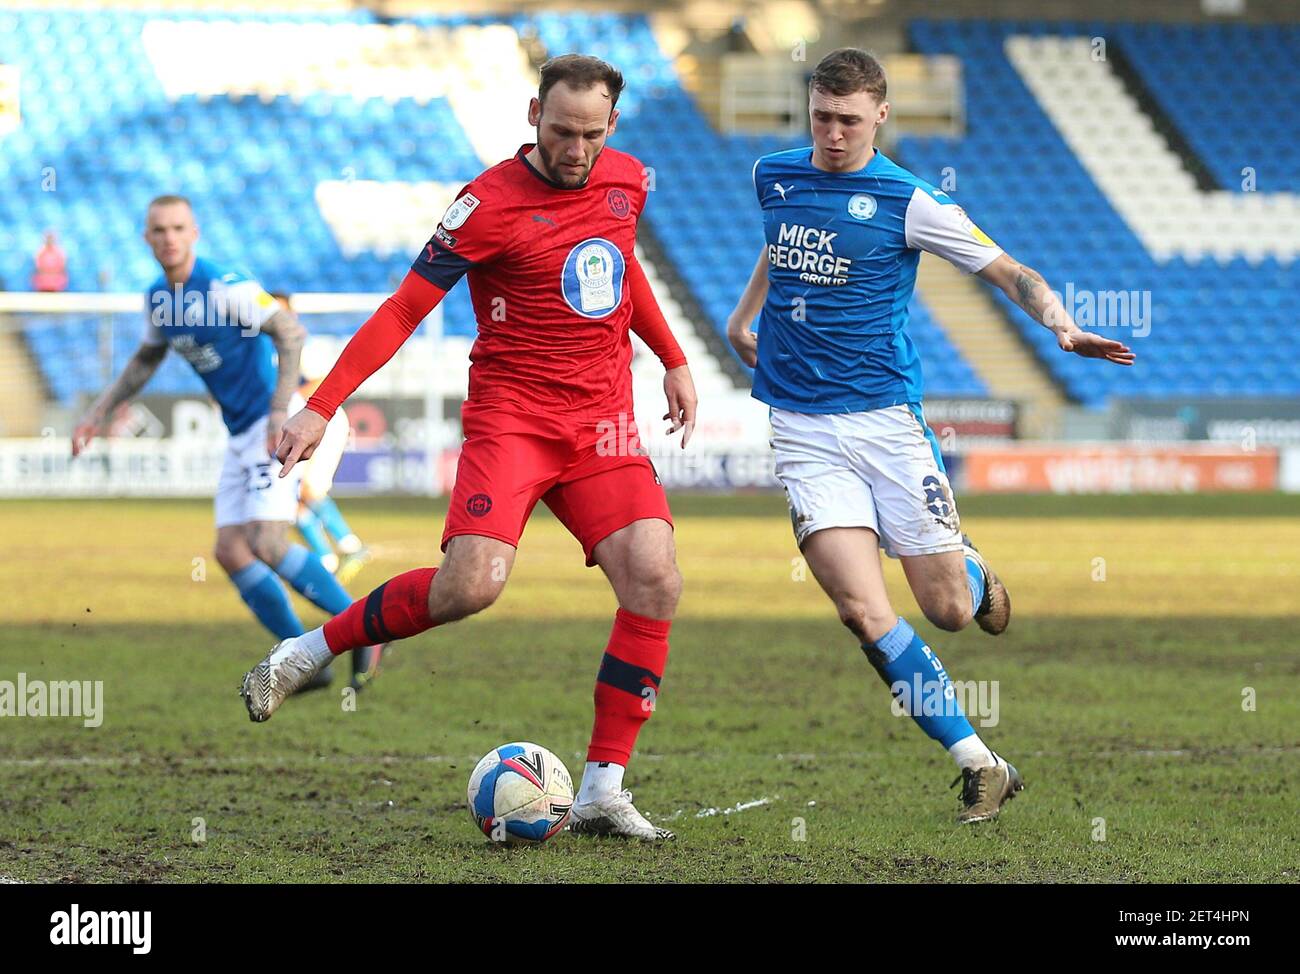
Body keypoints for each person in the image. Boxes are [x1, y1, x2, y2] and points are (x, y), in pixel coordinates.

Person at [239, 55, 699, 842]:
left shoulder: (626, 180)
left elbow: (620, 270)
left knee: (655, 580)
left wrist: (674, 356)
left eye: (591, 134)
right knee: (471, 587)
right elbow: (400, 311)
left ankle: (601, 789)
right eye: (561, 131)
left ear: (612, 128)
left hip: (601, 424)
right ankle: (306, 650)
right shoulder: (483, 205)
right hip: (513, 418)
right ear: (531, 115)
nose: (576, 150)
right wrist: (321, 406)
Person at [727, 49, 1135, 823]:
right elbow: (783, 245)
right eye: (821, 117)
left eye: (849, 120)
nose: (833, 133)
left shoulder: (911, 201)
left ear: (881, 115)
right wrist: (740, 317)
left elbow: (1008, 270)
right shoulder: (771, 175)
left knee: (946, 608)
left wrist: (1062, 324)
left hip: (886, 423)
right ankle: (979, 761)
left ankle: (973, 571)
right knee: (862, 609)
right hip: (803, 429)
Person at [72, 195, 385, 691]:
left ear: (194, 233)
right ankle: (304, 657)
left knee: (267, 542)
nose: (169, 238)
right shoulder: (159, 297)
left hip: (271, 425)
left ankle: (365, 629)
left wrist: (281, 412)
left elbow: (290, 333)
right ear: (146, 239)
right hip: (241, 432)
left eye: (178, 228)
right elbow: (145, 361)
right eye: (159, 230)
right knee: (230, 551)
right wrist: (97, 413)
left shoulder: (224, 284)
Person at [269, 293, 374, 589]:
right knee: (293, 499)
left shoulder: (303, 345)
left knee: (307, 489)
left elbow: (320, 381)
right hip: (294, 423)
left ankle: (351, 546)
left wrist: (287, 401)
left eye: (281, 310)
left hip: (319, 420)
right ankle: (325, 560)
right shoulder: (268, 348)